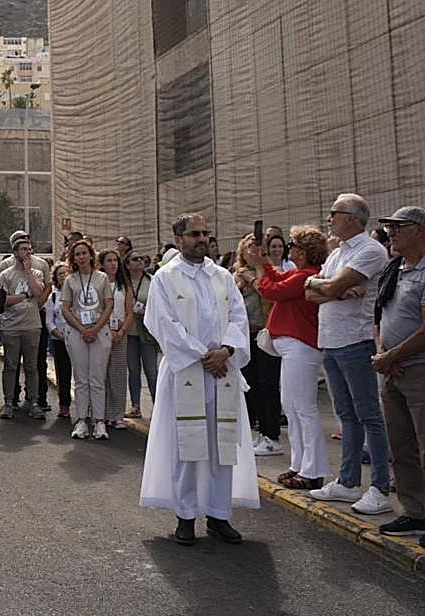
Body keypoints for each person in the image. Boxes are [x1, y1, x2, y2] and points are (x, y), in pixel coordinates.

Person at [140, 213, 258, 546]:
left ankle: (219, 515)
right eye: (195, 234)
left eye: (206, 233)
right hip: (186, 372)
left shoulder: (222, 276)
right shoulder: (165, 278)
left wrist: (227, 350)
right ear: (179, 239)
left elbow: (238, 316)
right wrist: (203, 355)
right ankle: (186, 516)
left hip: (222, 371)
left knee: (222, 446)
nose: (202, 239)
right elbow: (162, 324)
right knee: (186, 446)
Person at [305, 193, 393, 515]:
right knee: (346, 414)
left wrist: (329, 287)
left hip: (356, 341)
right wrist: (332, 289)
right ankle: (348, 480)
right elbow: (310, 293)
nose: (329, 218)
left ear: (353, 218)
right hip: (330, 340)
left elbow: (325, 289)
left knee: (369, 413)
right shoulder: (337, 252)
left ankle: (381, 486)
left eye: (334, 213)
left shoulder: (370, 250)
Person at [252, 226, 329, 490]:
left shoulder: (306, 276)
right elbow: (278, 279)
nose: (290, 248)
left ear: (305, 252)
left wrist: (260, 268)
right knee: (293, 406)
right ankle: (299, 465)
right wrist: (262, 262)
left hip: (301, 345)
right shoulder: (302, 274)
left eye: (294, 245)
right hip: (294, 346)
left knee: (303, 408)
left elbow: (273, 290)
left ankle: (312, 469)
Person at [369, 208, 425, 540]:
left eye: (398, 227)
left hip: (418, 371)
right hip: (393, 370)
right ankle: (416, 512)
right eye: (388, 227)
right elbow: (379, 316)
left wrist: (391, 355)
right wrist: (383, 355)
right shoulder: (395, 269)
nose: (391, 232)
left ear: (419, 230)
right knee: (402, 446)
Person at [234, 236, 282, 457]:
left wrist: (253, 275)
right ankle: (261, 432)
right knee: (251, 385)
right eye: (249, 246)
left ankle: (272, 435)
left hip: (265, 335)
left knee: (268, 385)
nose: (253, 250)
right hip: (245, 337)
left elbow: (268, 293)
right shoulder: (234, 276)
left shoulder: (267, 270)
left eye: (256, 246)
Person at [61, 240, 112, 440]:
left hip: (99, 331)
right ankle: (82, 419)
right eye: (77, 254)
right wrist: (82, 329)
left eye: (84, 253)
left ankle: (99, 421)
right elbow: (65, 307)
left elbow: (108, 305)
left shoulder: (102, 278)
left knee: (97, 378)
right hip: (77, 332)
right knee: (81, 379)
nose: (81, 257)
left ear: (91, 255)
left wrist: (96, 328)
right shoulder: (70, 280)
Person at [0, 237, 47, 420]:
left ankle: (33, 401)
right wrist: (25, 295)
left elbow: (40, 293)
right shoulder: (6, 274)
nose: (27, 253)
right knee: (10, 365)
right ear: (15, 252)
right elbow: (3, 300)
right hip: (11, 326)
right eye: (23, 249)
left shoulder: (36, 273)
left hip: (32, 325)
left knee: (32, 366)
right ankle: (9, 402)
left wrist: (28, 273)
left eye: (29, 249)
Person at [100, 249, 134, 429]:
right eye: (109, 260)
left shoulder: (124, 285)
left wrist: (121, 332)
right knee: (102, 373)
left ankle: (118, 413)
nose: (113, 264)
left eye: (115, 260)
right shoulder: (99, 283)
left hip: (120, 330)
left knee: (119, 374)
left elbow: (130, 313)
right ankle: (102, 412)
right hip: (102, 330)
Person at [124, 250, 158, 418]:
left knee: (152, 371)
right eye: (135, 259)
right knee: (134, 370)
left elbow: (159, 305)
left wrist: (147, 311)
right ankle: (135, 405)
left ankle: (158, 405)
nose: (139, 261)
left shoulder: (152, 281)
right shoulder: (123, 283)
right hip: (129, 332)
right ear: (128, 264)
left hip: (147, 332)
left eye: (142, 258)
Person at [44, 263, 73, 418]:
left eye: (66, 273)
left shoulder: (77, 293)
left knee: (82, 375)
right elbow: (49, 321)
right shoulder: (53, 296)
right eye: (60, 273)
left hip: (78, 338)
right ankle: (64, 404)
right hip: (60, 339)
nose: (63, 276)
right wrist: (58, 334)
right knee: (63, 373)